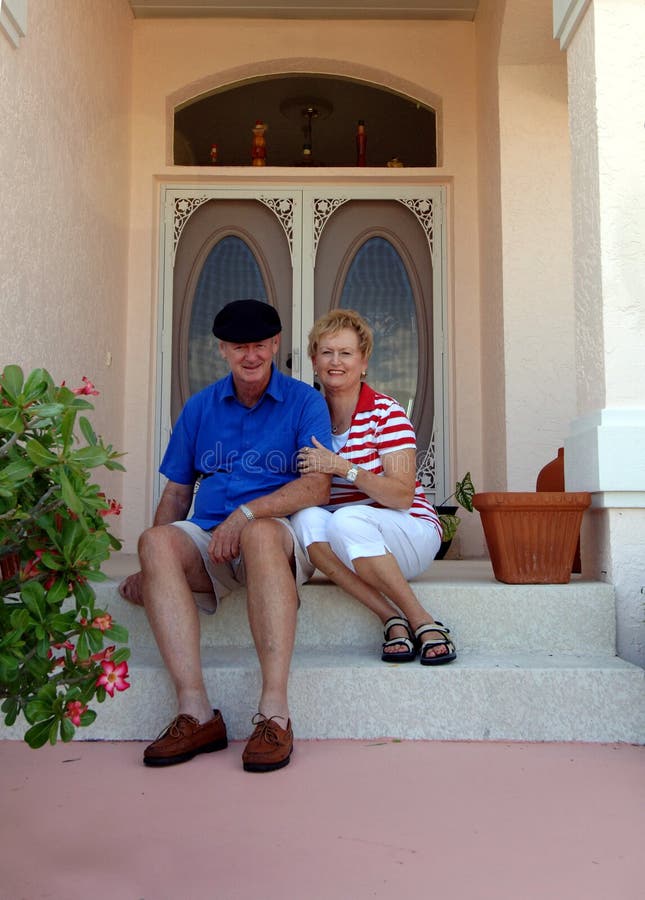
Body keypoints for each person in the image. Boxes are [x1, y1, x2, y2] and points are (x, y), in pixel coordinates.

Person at [118, 299, 332, 771]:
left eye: (259, 345)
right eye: (239, 347)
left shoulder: (305, 402)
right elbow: (176, 494)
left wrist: (248, 513)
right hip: (209, 540)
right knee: (155, 542)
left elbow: (317, 485)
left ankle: (274, 715)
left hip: (273, 539)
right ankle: (196, 714)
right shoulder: (199, 408)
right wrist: (153, 570)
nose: (250, 356)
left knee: (257, 535)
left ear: (276, 344)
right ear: (222, 349)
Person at [292, 309, 456, 665]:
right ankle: (389, 618)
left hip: (408, 532)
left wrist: (343, 468)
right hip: (349, 543)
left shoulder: (385, 412)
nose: (336, 362)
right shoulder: (307, 416)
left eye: (346, 353)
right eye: (327, 352)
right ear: (314, 361)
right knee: (305, 519)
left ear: (363, 361)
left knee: (347, 519)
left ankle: (421, 619)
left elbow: (401, 495)